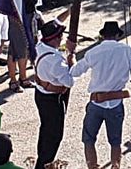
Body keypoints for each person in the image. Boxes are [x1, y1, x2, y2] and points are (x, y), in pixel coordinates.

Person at [70, 21, 131, 169]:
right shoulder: (126, 50)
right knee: (115, 141)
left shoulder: (93, 52)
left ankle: (92, 167)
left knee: (89, 139)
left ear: (102, 36)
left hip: (96, 103)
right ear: (117, 35)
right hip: (116, 104)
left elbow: (75, 72)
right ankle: (115, 166)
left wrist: (71, 58)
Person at [33, 19, 74, 169]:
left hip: (40, 94)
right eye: (60, 36)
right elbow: (69, 82)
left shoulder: (39, 47)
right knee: (54, 135)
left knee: (45, 129)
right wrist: (71, 58)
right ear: (55, 38)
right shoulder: (56, 60)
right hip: (52, 99)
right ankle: (44, 164)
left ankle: (41, 159)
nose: (61, 38)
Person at [6, 0, 39, 93]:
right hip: (18, 19)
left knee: (14, 49)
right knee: (21, 47)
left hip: (29, 17)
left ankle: (15, 79)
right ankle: (21, 78)